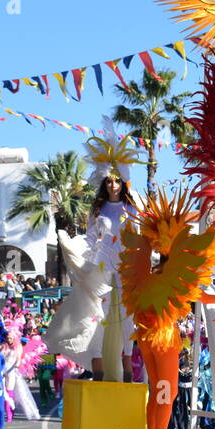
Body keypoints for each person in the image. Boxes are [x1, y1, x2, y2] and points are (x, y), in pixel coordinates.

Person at [120, 191, 215, 429]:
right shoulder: (175, 278)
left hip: (145, 338)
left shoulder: (146, 276)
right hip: (165, 339)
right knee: (167, 391)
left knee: (157, 391)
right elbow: (200, 296)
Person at [83, 156, 140, 383]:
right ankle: (98, 365)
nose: (112, 186)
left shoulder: (131, 208)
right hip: (102, 266)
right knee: (99, 314)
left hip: (125, 267)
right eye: (108, 182)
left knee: (128, 316)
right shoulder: (98, 209)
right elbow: (89, 239)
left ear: (122, 183)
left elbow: (138, 237)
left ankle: (127, 364)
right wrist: (87, 263)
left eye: (116, 181)